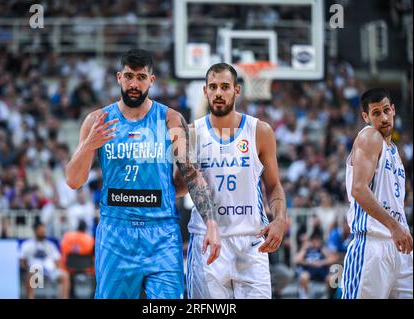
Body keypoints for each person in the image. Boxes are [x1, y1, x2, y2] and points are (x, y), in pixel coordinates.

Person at [65, 49, 220, 299]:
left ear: (152, 80)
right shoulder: (97, 120)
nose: (134, 84)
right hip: (116, 233)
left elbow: (190, 175)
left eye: (140, 77)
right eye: (128, 76)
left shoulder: (171, 119)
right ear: (119, 77)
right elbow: (73, 181)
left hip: (162, 234)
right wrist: (88, 144)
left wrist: (212, 223)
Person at [175, 63, 287, 298]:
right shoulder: (192, 133)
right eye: (213, 87)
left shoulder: (260, 131)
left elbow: (274, 186)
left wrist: (280, 219)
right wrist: (185, 165)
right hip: (207, 242)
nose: (218, 92)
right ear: (205, 91)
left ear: (236, 90)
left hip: (251, 241)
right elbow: (178, 189)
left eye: (225, 87)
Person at [341, 88, 413, 299]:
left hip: (399, 246)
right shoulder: (369, 137)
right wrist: (394, 227)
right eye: (375, 113)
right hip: (373, 245)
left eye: (386, 110)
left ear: (393, 110)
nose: (383, 117)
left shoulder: (393, 150)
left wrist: (401, 230)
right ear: (366, 117)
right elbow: (359, 189)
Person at [19, 222, 70, 299]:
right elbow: (22, 261)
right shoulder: (27, 245)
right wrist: (26, 269)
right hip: (35, 271)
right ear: (35, 231)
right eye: (41, 230)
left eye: (44, 229)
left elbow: (58, 261)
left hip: (50, 271)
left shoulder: (51, 245)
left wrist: (58, 269)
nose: (43, 231)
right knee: (32, 272)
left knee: (65, 275)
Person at [295, 233, 335, 299]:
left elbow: (332, 259)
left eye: (317, 240)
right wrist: (310, 262)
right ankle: (305, 296)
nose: (315, 242)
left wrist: (321, 263)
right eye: (313, 240)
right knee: (303, 276)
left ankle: (329, 296)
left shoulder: (322, 249)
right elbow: (297, 260)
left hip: (322, 270)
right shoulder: (306, 250)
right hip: (310, 270)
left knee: (332, 279)